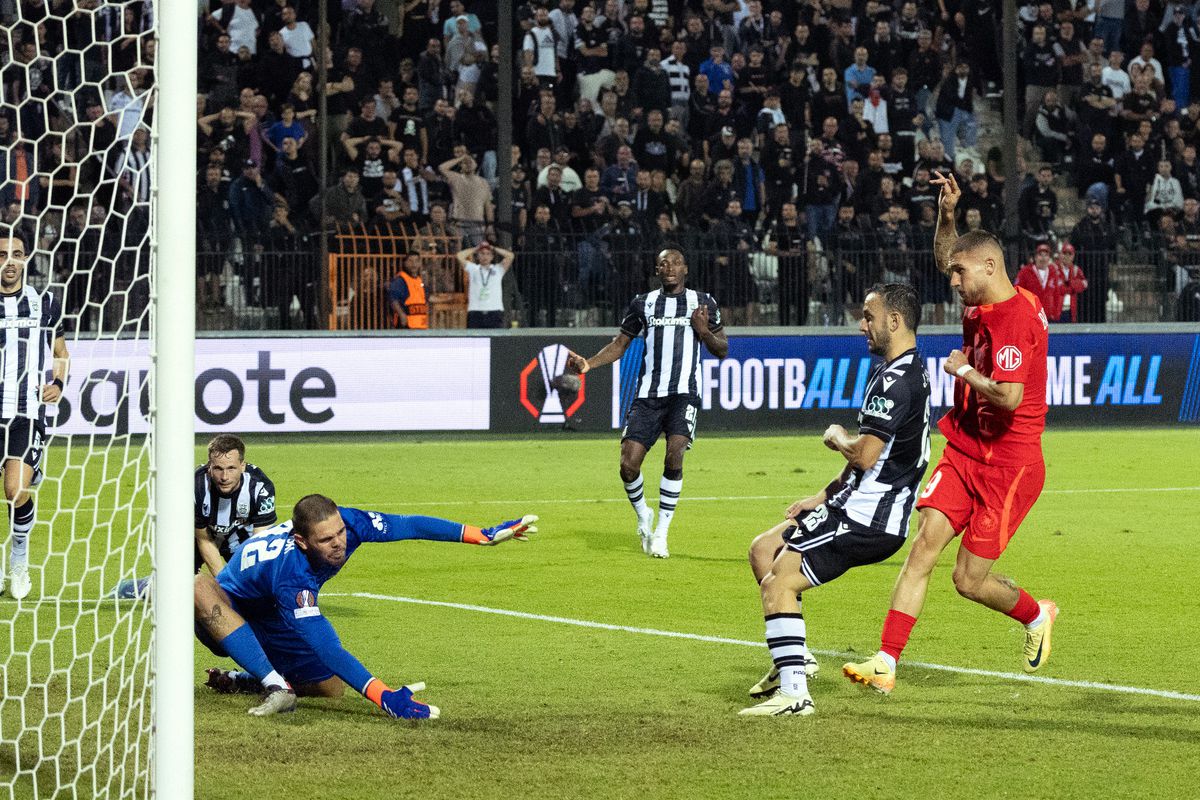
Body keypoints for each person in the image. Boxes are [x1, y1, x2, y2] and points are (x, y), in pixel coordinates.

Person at [843, 172, 1057, 695]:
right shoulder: (985, 298)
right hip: (964, 449)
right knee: (923, 549)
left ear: (990, 266)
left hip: (1010, 466)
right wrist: (946, 216)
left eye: (961, 273)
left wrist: (961, 371)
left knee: (967, 580)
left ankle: (1035, 614)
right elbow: (950, 254)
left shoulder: (1013, 321)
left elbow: (1007, 396)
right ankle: (886, 662)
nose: (952, 281)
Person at [740, 283, 931, 716]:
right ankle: (795, 658)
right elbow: (872, 458)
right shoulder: (903, 368)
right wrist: (823, 494)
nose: (862, 324)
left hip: (868, 518)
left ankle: (794, 695)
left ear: (894, 321)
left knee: (779, 581)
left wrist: (836, 437)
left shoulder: (897, 381)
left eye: (869, 316)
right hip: (852, 503)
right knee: (763, 550)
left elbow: (864, 452)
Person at [196, 493, 538, 716]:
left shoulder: (348, 523)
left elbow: (407, 525)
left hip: (267, 609)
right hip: (229, 612)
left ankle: (242, 680)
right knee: (198, 586)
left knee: (330, 689)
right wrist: (384, 696)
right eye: (326, 540)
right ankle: (275, 684)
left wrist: (481, 534)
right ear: (301, 541)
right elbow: (328, 647)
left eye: (340, 533)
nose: (338, 544)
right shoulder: (292, 575)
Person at [565, 249, 729, 558]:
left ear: (686, 270)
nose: (669, 267)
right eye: (664, 263)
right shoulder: (644, 303)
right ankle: (644, 516)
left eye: (676, 262)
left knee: (675, 452)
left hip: (685, 393)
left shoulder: (704, 303)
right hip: (648, 395)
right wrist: (588, 364)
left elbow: (722, 349)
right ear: (656, 269)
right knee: (628, 465)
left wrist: (704, 332)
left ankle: (661, 534)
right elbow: (619, 345)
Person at [0, 236, 68, 600]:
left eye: (17, 254)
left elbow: (60, 351)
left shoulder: (44, 303)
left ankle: (19, 561)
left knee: (15, 491)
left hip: (25, 412)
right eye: (2, 255)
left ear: (26, 259)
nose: (9, 262)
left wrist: (58, 381)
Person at [457, 241, 515, 328]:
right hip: (475, 311)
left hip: (494, 311)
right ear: (478, 256)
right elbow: (459, 256)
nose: (485, 256)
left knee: (495, 340)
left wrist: (493, 248)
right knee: (475, 341)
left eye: (488, 254)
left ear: (492, 257)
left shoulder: (498, 269)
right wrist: (476, 248)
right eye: (482, 254)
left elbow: (510, 256)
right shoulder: (473, 269)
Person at [389, 252, 429, 329]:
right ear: (405, 263)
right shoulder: (400, 281)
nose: (414, 264)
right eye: (410, 261)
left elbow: (425, 299)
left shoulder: (420, 281)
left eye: (416, 261)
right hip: (405, 327)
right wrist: (402, 315)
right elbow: (393, 299)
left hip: (420, 326)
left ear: (420, 263)